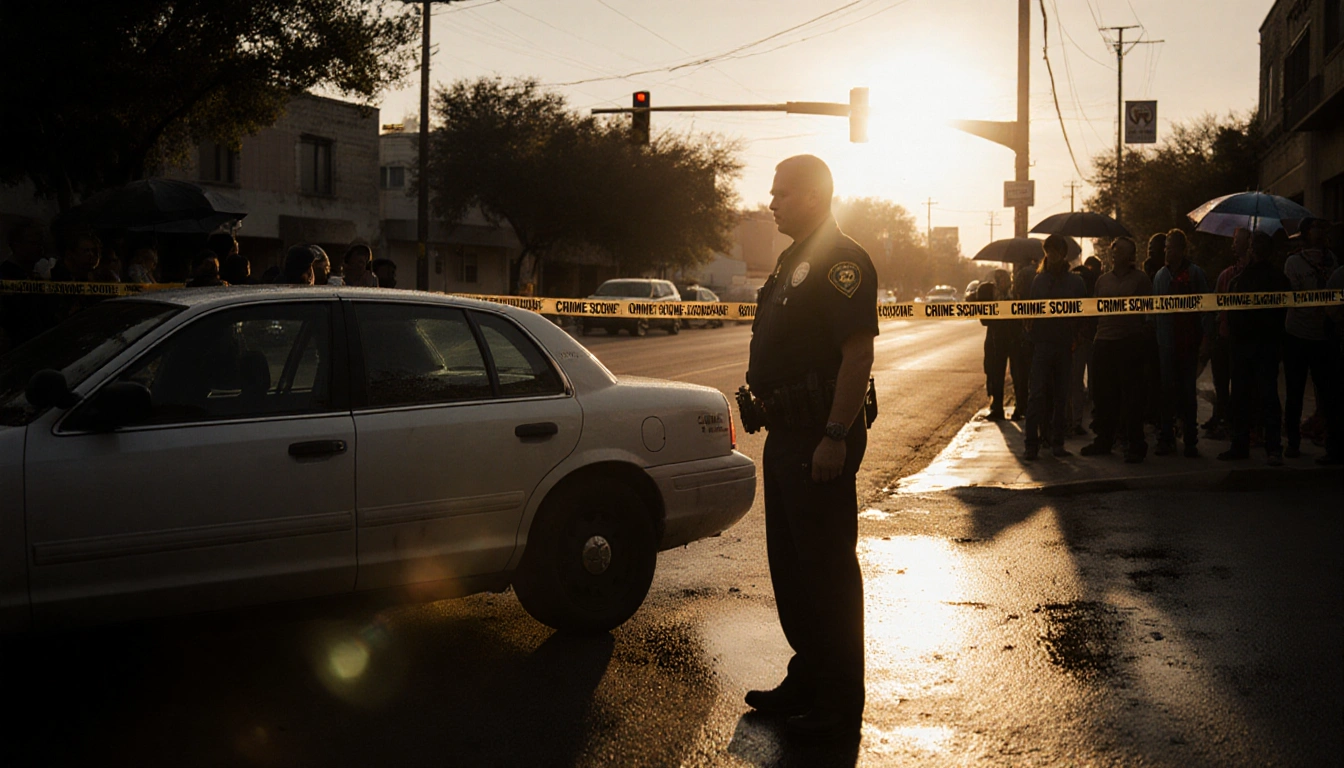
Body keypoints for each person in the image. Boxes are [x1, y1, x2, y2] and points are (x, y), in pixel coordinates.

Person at [742, 155, 877, 741]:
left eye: (783, 194)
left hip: (819, 437)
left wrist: (836, 436)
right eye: (772, 194)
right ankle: (809, 674)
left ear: (817, 196)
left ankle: (840, 697)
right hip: (786, 434)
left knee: (826, 570)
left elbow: (857, 355)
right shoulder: (792, 259)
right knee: (792, 569)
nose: (772, 203)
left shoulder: (841, 260)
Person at [1220, 232, 1291, 465]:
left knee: (1250, 397)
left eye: (1251, 246)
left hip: (1251, 348)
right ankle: (1269, 447)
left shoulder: (1247, 279)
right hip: (1260, 348)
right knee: (1261, 397)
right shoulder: (1275, 277)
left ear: (1254, 251)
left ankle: (1245, 445)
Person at [1081, 237, 1152, 463]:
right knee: (1104, 396)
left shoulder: (1140, 280)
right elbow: (1094, 309)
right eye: (1113, 250)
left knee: (1131, 397)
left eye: (1119, 250)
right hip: (1104, 342)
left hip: (1129, 342)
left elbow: (1149, 311)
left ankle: (1135, 443)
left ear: (1130, 256)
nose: (1114, 253)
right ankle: (1104, 440)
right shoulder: (1102, 281)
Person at [1281, 218, 1341, 463]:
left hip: (1324, 336)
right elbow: (1293, 295)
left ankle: (1331, 443)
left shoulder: (1332, 261)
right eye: (1316, 230)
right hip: (1297, 334)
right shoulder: (1294, 262)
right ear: (1306, 236)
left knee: (1328, 393)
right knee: (1294, 391)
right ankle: (1293, 442)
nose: (1320, 235)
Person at [1022, 235, 1086, 460]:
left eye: (1056, 251)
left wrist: (1077, 336)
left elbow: (1082, 313)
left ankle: (1058, 442)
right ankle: (1032, 444)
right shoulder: (1039, 281)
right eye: (1049, 251)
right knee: (1036, 395)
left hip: (1064, 345)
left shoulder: (1075, 282)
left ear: (1063, 254)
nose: (1052, 255)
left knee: (1061, 396)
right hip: (1042, 344)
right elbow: (1029, 312)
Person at [1152, 229, 1213, 457]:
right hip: (1166, 345)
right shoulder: (1160, 276)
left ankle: (1190, 440)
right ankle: (1166, 438)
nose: (1167, 251)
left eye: (1171, 247)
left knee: (1188, 394)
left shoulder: (1195, 275)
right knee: (1166, 394)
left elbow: (1206, 309)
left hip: (1188, 344)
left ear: (1181, 249)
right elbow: (1154, 313)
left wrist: (1206, 340)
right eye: (1166, 247)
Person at [1206, 228, 1251, 439]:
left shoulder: (1254, 276)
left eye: (1237, 241)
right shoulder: (1226, 275)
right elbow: (1216, 305)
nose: (1233, 244)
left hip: (1245, 339)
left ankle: (1240, 425)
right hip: (1224, 336)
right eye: (1233, 240)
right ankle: (1222, 418)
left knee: (1242, 385)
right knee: (1221, 383)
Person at [1068, 255, 1102, 435]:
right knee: (1084, 382)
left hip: (1086, 339)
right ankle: (1080, 420)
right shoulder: (1094, 285)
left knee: (1077, 382)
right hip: (1086, 339)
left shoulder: (1089, 285)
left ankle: (1077, 421)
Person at [1009, 252, 1041, 420]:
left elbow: (1017, 298)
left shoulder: (1022, 275)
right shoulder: (1040, 273)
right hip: (1039, 330)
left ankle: (1021, 405)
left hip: (1021, 331)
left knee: (1020, 372)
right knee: (1035, 374)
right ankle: (1033, 407)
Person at [977, 273, 1012, 420]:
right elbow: (984, 320)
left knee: (1016, 374)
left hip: (1012, 338)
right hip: (994, 337)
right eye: (999, 280)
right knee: (993, 372)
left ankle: (1018, 407)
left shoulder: (1014, 294)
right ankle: (996, 405)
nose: (1002, 283)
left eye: (1004, 280)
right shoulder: (990, 293)